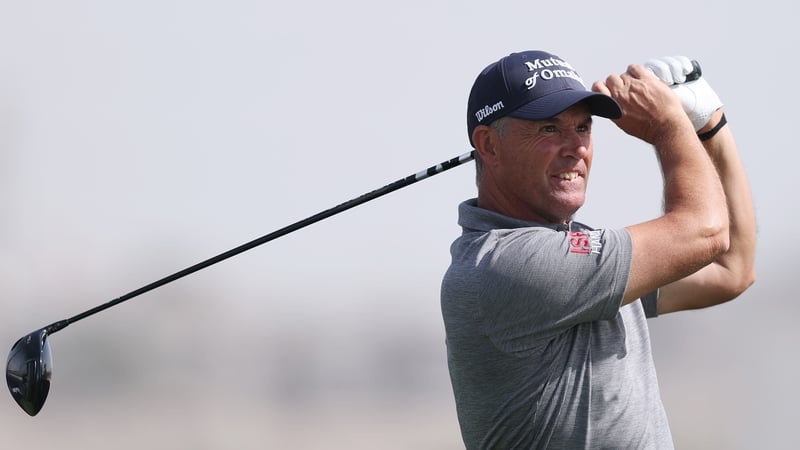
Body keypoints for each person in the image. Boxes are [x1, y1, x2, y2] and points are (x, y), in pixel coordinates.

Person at [440, 50, 756, 449]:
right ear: (488, 145)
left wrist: (710, 126)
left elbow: (730, 270)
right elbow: (705, 232)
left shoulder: (571, 256)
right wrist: (670, 126)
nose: (576, 147)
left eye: (583, 127)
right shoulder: (506, 265)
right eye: (549, 129)